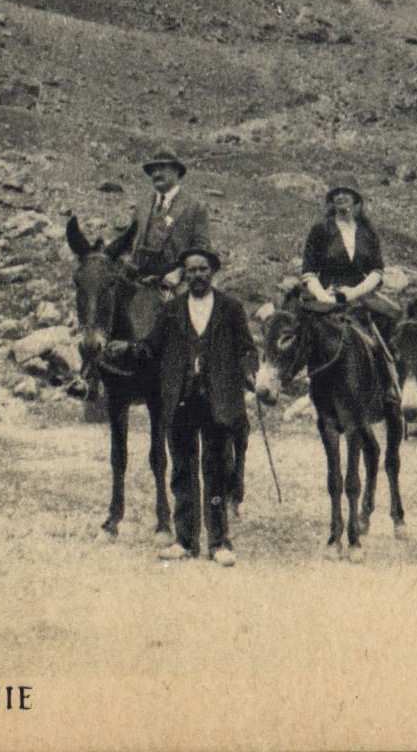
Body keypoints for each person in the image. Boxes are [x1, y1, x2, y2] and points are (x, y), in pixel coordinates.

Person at [137, 246, 258, 566]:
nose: (197, 275)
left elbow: (247, 348)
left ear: (212, 272)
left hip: (218, 400)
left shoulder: (231, 308)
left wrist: (249, 371)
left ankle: (219, 543)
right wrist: (129, 349)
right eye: (191, 270)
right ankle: (185, 540)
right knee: (182, 470)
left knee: (216, 470)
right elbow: (151, 345)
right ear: (184, 275)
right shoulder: (172, 310)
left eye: (203, 269)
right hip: (180, 399)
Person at [300, 184, 401, 403]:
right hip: (327, 293)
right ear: (331, 200)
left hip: (359, 293)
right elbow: (308, 272)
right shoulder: (321, 229)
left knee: (394, 322)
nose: (340, 196)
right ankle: (292, 380)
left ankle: (392, 385)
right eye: (336, 193)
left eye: (345, 192)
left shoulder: (367, 231)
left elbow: (377, 271)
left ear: (356, 198)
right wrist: (324, 297)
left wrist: (354, 292)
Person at [126, 151, 212, 289]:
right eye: (153, 170)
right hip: (138, 280)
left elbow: (201, 249)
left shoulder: (195, 207)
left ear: (176, 171)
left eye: (162, 168)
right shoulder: (142, 206)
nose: (156, 174)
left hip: (174, 283)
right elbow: (129, 242)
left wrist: (180, 272)